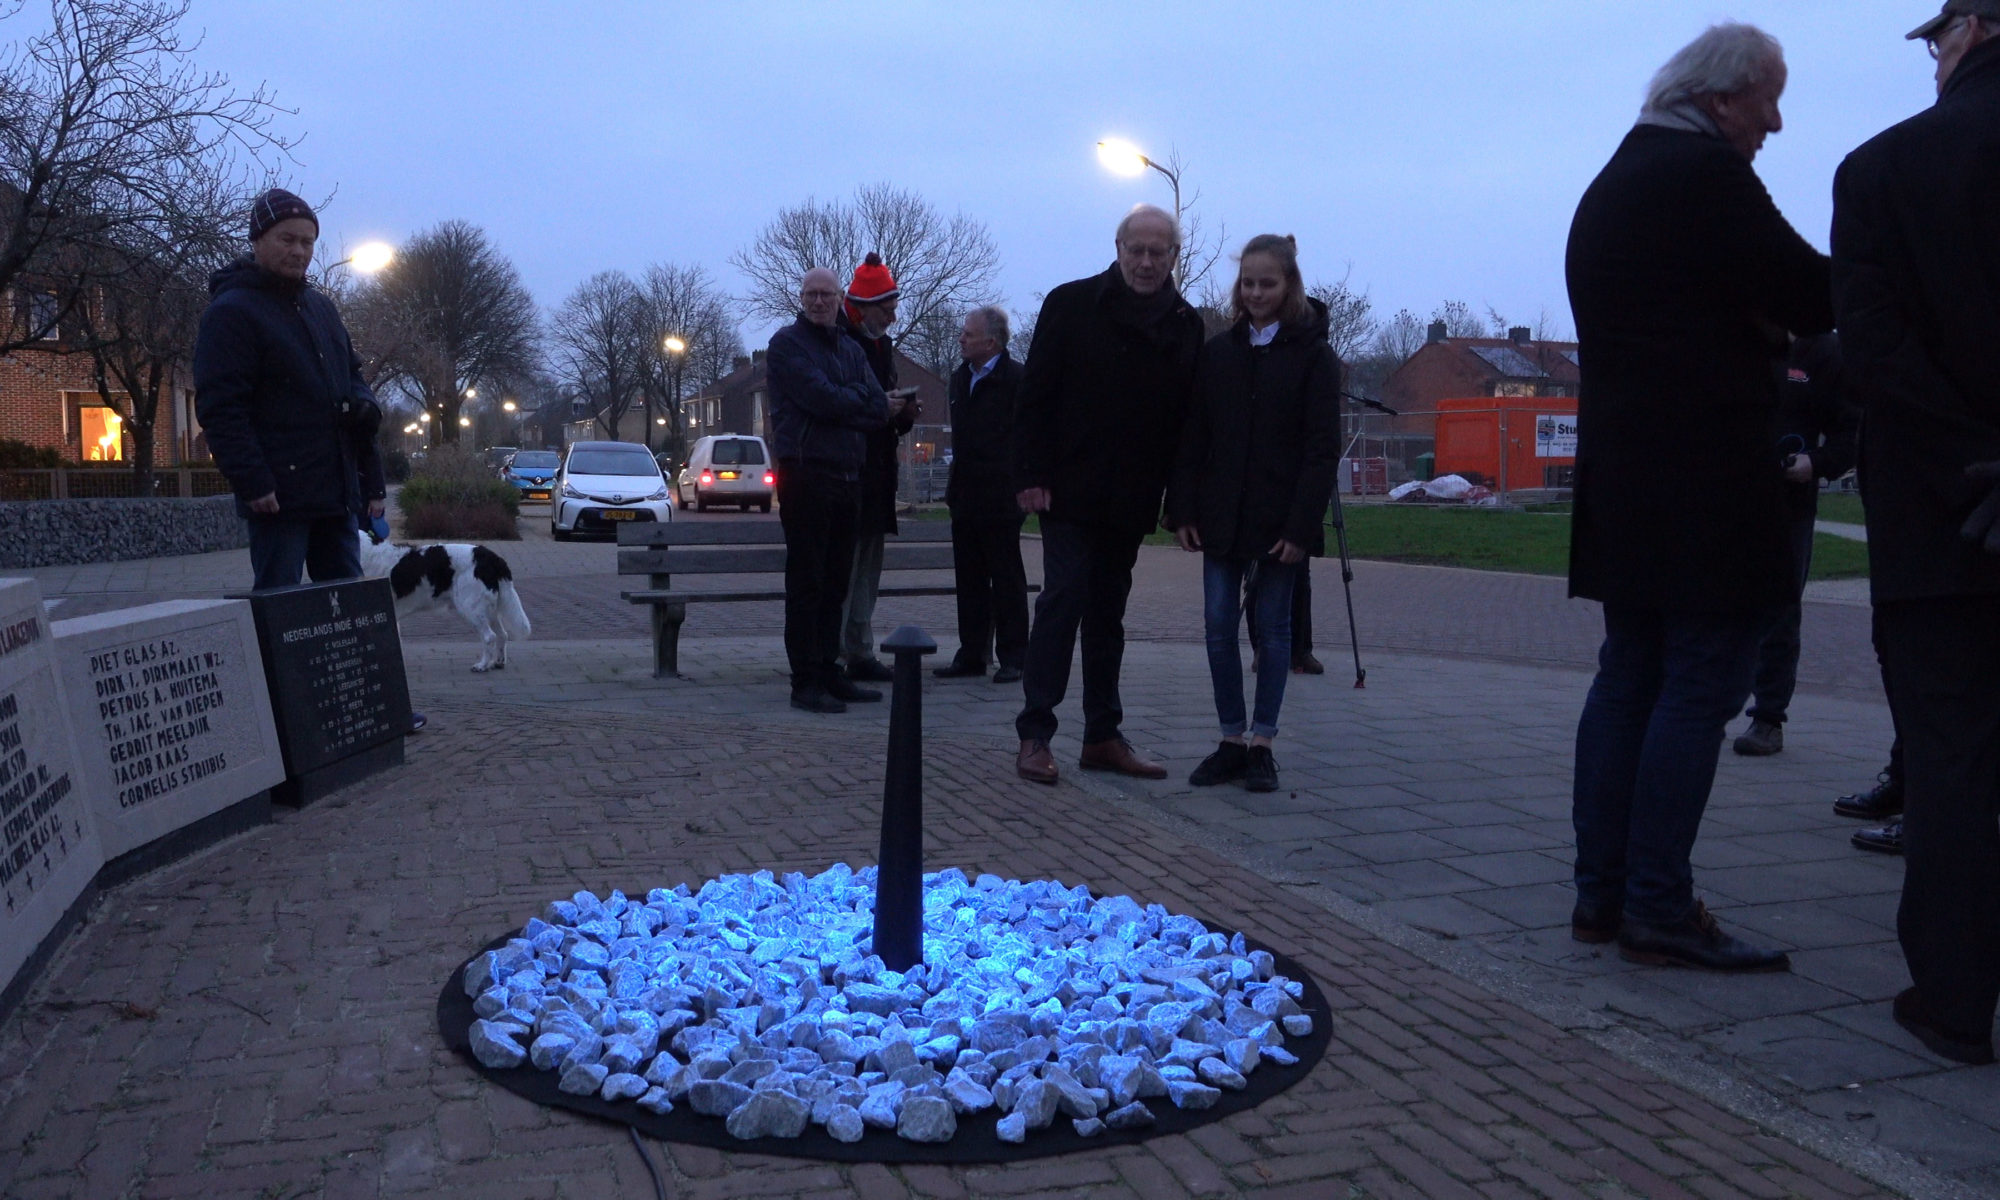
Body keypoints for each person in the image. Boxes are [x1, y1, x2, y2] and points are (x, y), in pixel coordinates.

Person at [1565, 23, 1833, 972]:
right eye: (1768, 98)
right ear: (1722, 100)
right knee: (1703, 683)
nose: (1777, 121)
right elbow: (1810, 291)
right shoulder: (1705, 176)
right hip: (1708, 486)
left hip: (1625, 484)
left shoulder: (1614, 182)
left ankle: (1600, 896)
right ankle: (1660, 908)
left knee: (1629, 673)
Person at [1831, 0, 2000, 1065]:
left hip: (1944, 522)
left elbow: (1878, 356)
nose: (1931, 57)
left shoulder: (1883, 167)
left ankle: (1951, 996)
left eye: (1933, 37)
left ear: (1973, 30)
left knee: (1947, 759)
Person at [1013, 205, 1203, 785]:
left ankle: (1101, 736)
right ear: (1117, 248)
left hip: (1131, 495)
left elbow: (1188, 424)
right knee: (1063, 598)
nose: (1146, 262)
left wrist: (1182, 504)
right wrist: (1030, 474)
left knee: (1108, 615)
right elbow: (1035, 396)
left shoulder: (1185, 325)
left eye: (1158, 252)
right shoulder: (1069, 304)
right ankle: (1035, 734)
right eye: (1136, 250)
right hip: (1068, 488)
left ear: (1174, 256)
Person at [1165, 235, 1340, 794]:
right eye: (1248, 282)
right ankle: (1229, 739)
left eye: (1268, 282)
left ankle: (1262, 743)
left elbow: (1320, 450)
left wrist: (1300, 528)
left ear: (1289, 285)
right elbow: (1192, 436)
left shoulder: (1314, 356)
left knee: (1273, 628)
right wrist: (1182, 509)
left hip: (1278, 518)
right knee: (1219, 627)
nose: (1257, 292)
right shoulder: (1218, 354)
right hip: (1219, 515)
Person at [194, 188, 386, 592]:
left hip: (335, 495)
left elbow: (352, 374)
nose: (299, 251)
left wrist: (365, 405)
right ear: (258, 239)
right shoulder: (231, 313)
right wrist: (253, 482)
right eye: (288, 239)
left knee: (347, 612)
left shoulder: (321, 308)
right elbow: (221, 408)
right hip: (277, 498)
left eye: (308, 241)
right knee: (281, 613)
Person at [765, 267, 891, 714]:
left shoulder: (851, 349)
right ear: (801, 298)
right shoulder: (786, 345)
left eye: (827, 294)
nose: (819, 301)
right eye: (811, 294)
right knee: (808, 583)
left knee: (837, 582)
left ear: (840, 299)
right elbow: (821, 399)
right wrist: (848, 402)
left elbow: (880, 408)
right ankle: (806, 680)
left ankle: (830, 669)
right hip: (807, 477)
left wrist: (845, 404)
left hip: (849, 477)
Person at [1731, 333, 1860, 756]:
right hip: (1722, 500)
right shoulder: (1733, 333)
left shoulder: (1822, 352)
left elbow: (1850, 428)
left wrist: (1817, 463)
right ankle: (1703, 708)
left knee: (1780, 611)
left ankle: (1768, 719)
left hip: (1788, 505)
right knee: (1715, 606)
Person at [836, 253, 921, 684]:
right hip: (850, 470)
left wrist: (901, 414)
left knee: (868, 563)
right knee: (847, 565)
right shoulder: (840, 343)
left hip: (875, 469)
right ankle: (839, 652)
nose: (892, 316)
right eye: (886, 308)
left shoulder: (877, 344)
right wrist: (882, 408)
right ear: (865, 307)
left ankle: (859, 647)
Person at [935, 305, 1029, 683]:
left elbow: (1027, 436)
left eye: (968, 334)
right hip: (966, 494)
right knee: (969, 578)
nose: (961, 338)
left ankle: (1015, 656)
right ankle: (972, 653)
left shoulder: (1016, 379)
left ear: (991, 342)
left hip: (1002, 495)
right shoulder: (959, 379)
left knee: (1006, 577)